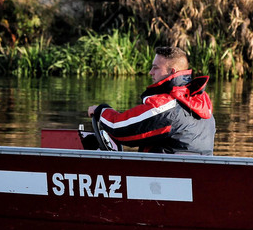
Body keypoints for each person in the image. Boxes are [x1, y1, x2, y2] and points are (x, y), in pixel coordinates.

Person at [87, 45, 215, 155]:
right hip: (191, 174)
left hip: (166, 174)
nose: (150, 72)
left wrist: (101, 111)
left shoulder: (166, 106)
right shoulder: (200, 102)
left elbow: (120, 128)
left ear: (172, 71)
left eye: (156, 68)